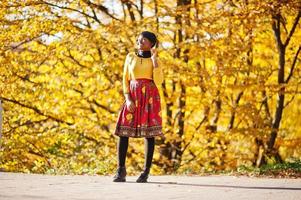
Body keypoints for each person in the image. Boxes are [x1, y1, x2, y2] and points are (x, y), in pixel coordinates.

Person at [113, 31, 164, 183]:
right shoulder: (130, 57)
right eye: (139, 39)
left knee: (149, 134)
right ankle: (121, 170)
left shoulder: (157, 60)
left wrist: (154, 61)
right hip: (133, 96)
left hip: (149, 97)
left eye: (144, 39)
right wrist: (128, 98)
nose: (140, 41)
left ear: (151, 44)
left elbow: (159, 82)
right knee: (123, 131)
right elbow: (125, 79)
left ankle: (145, 172)